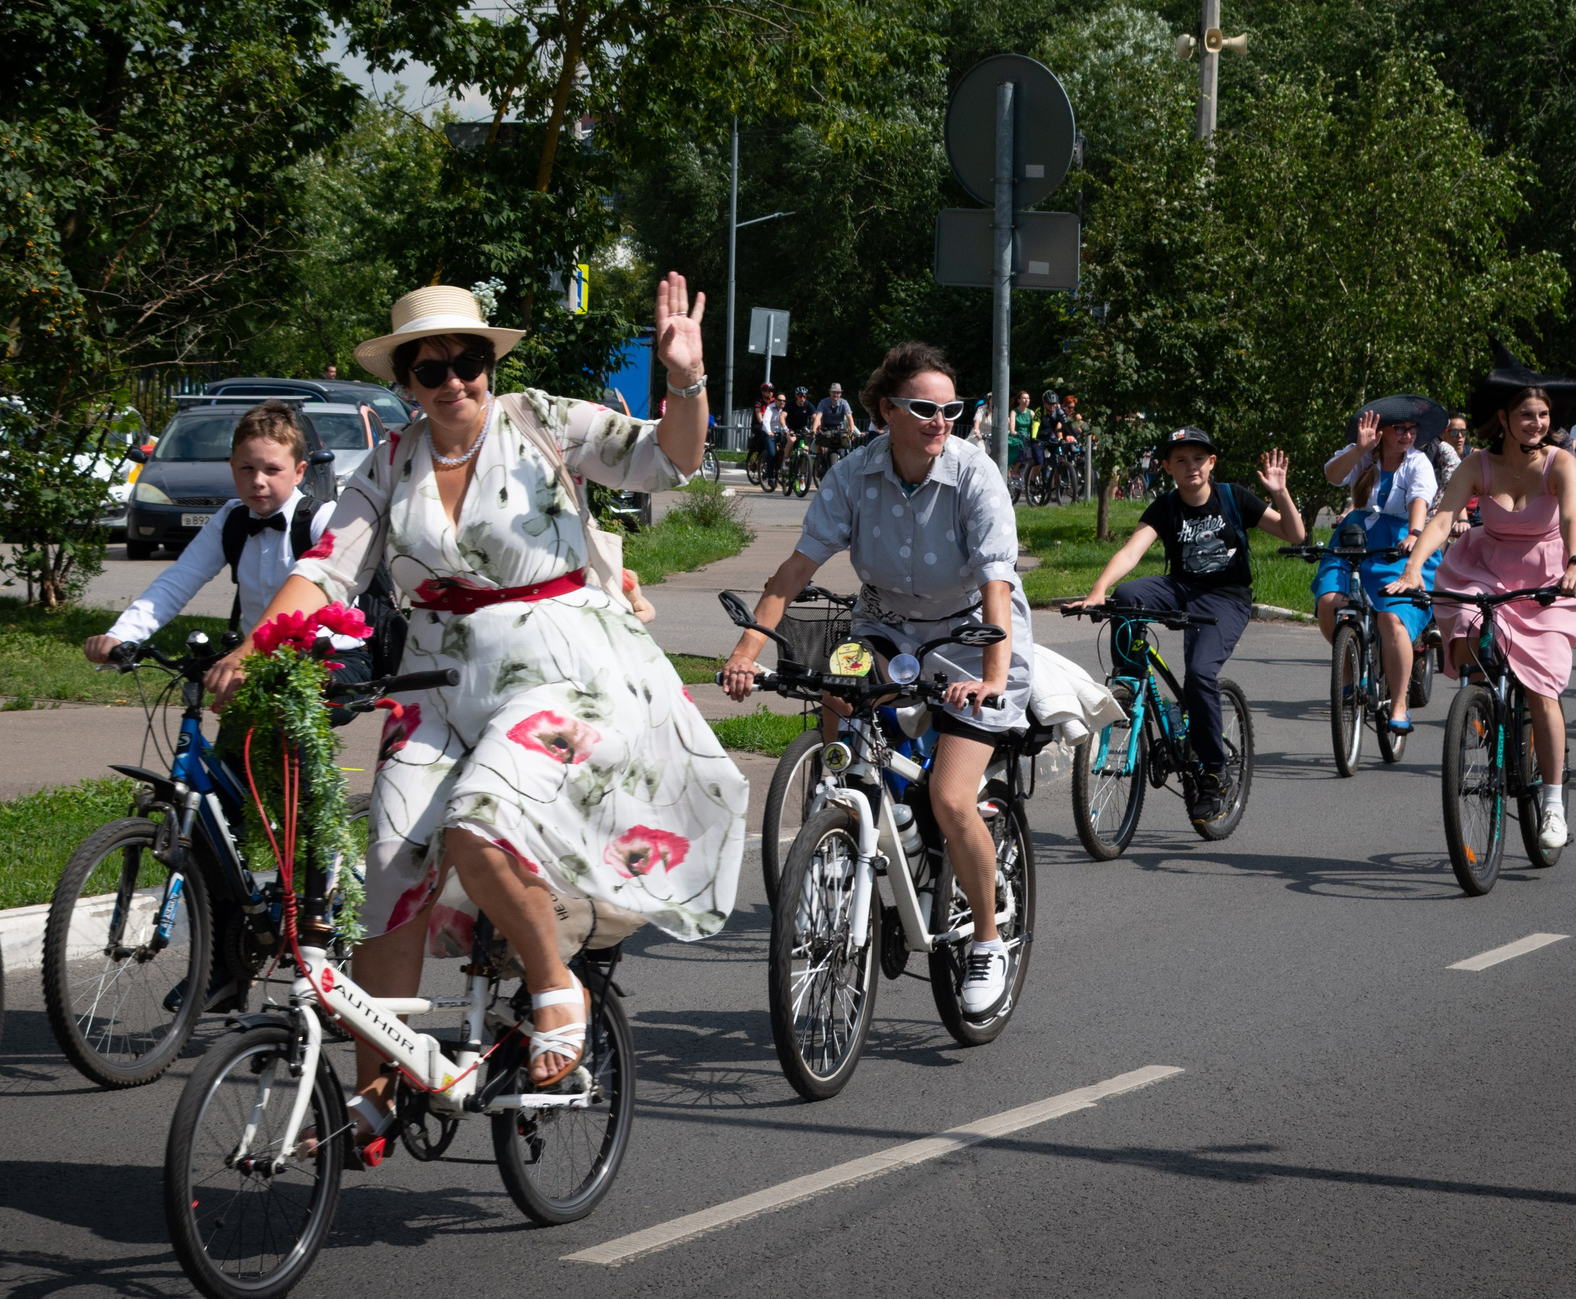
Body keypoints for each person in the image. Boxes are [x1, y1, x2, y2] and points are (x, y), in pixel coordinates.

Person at [258, 277, 744, 1158]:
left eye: (469, 361)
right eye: (431, 368)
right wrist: (254, 646)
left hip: (560, 672)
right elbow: (328, 566)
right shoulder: (391, 461)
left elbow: (665, 458)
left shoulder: (540, 420)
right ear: (406, 382)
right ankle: (375, 1093)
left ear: (490, 363)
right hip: (436, 683)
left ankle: (558, 987)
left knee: (478, 823)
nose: (454, 381)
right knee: (388, 870)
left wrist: (686, 380)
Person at [723, 343, 1031, 1017]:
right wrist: (747, 649)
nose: (940, 420)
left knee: (951, 796)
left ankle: (986, 939)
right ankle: (839, 832)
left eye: (951, 409)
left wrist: (991, 678)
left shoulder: (974, 475)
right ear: (886, 410)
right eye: (923, 407)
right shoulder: (853, 475)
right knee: (838, 687)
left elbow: (997, 585)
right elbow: (795, 570)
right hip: (886, 624)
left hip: (971, 634)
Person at [1391, 364, 1576, 849]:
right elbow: (1442, 518)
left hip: (1548, 577)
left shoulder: (1560, 462)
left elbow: (1571, 519)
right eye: (1526, 415)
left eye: (1543, 415)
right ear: (1504, 418)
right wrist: (1413, 569)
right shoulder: (1478, 463)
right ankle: (1484, 707)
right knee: (1467, 637)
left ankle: (1553, 804)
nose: (1537, 423)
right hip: (1487, 567)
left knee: (1542, 689)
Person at [1072, 426, 1309, 821]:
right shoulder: (1165, 506)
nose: (1191, 466)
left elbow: (1295, 533)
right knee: (1127, 596)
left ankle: (1215, 773)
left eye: (1199, 458)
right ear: (1167, 467)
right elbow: (1131, 552)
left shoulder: (1232, 497)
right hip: (1180, 588)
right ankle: (1131, 683)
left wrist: (1280, 492)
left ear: (1211, 462)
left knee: (1200, 673)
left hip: (1226, 597)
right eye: (1180, 460)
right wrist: (1099, 590)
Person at [85, 401, 332, 697]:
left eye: (272, 470)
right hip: (257, 662)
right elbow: (179, 580)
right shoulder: (232, 519)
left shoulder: (321, 519)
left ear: (299, 472)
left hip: (328, 660)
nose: (258, 481)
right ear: (232, 467)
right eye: (247, 468)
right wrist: (120, 635)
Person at [1316, 409, 1439, 740]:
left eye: (1412, 429)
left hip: (1400, 540)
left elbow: (1419, 499)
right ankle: (1348, 670)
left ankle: (1399, 703)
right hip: (1355, 536)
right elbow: (1332, 475)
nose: (1407, 435)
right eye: (1400, 428)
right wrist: (1360, 448)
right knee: (1329, 602)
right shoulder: (1363, 454)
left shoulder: (1417, 462)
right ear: (1381, 431)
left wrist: (1415, 533)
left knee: (1392, 618)